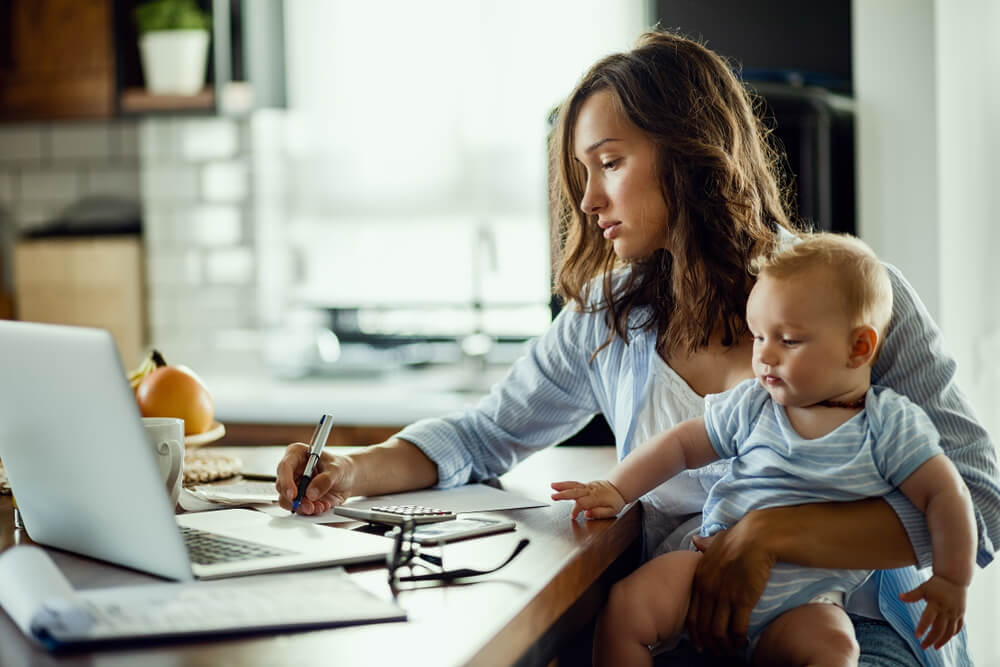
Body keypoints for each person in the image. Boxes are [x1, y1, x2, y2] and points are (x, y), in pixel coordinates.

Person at [275, 29, 1000, 665]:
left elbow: (981, 506)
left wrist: (772, 534)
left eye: (609, 163)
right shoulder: (608, 316)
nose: (588, 201)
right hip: (685, 629)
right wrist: (351, 468)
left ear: (688, 154)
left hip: (856, 623)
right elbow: (483, 434)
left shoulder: (858, 302)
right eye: (581, 175)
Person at [551, 233, 976, 666]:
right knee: (627, 606)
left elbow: (949, 495)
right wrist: (616, 488)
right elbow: (681, 446)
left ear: (858, 347)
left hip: (809, 603)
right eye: (758, 338)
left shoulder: (888, 426)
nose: (765, 357)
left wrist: (952, 579)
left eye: (788, 340)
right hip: (710, 569)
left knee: (837, 651)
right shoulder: (755, 404)